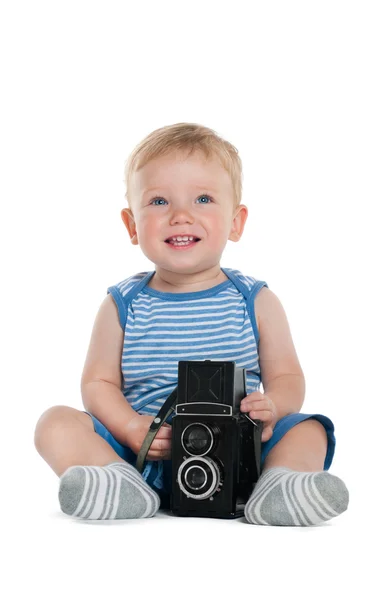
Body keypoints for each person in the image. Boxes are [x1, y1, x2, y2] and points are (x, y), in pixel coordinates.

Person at [34, 122, 349, 525]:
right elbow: (98, 384)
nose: (181, 215)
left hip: (241, 458)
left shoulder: (256, 300)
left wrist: (273, 408)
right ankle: (117, 482)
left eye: (202, 198)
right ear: (132, 226)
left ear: (236, 222)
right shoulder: (122, 305)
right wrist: (131, 428)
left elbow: (287, 377)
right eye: (160, 201)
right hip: (147, 455)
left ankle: (279, 484)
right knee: (55, 422)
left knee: (309, 429)